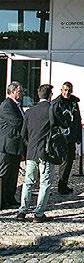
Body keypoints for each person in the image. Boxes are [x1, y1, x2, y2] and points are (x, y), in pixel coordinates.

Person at [16, 84, 69, 222]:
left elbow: (23, 134)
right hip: (46, 152)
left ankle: (22, 211)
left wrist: (29, 146)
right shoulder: (52, 109)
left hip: (31, 151)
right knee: (45, 183)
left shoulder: (29, 112)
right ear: (50, 95)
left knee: (28, 182)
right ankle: (39, 214)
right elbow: (64, 124)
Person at [52, 81, 82, 195]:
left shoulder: (74, 103)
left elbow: (78, 120)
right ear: (61, 90)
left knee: (69, 162)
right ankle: (61, 186)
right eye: (65, 90)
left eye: (69, 90)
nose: (67, 92)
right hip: (61, 137)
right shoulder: (57, 103)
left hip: (71, 137)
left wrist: (78, 136)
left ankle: (63, 184)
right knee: (64, 162)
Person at [0, 82, 25, 210]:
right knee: (5, 173)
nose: (21, 93)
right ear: (12, 91)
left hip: (15, 145)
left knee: (13, 174)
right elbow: (17, 122)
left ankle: (10, 197)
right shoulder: (7, 105)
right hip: (7, 146)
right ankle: (2, 199)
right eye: (19, 91)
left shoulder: (16, 105)